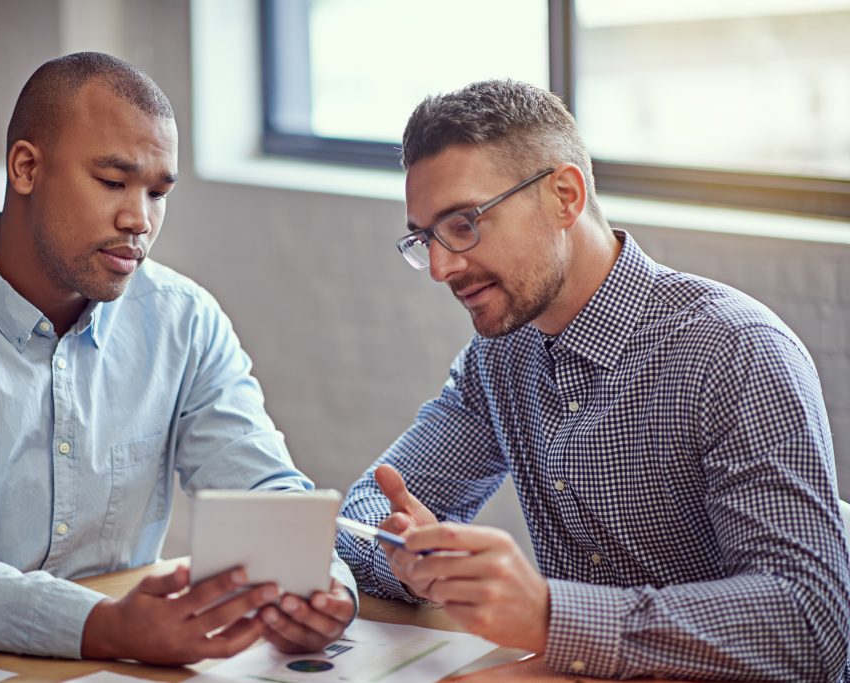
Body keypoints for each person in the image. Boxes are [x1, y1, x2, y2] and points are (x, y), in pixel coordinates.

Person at [0, 52, 354, 664]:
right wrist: (107, 627)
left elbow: (262, 487)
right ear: (25, 167)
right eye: (113, 182)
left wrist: (325, 585)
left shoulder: (184, 319)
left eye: (158, 192)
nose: (140, 219)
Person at [336, 78, 850, 682]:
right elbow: (369, 509)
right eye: (425, 239)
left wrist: (550, 616)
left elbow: (813, 623)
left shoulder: (733, 350)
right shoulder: (500, 356)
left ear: (564, 195)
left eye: (463, 224)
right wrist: (410, 559)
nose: (442, 267)